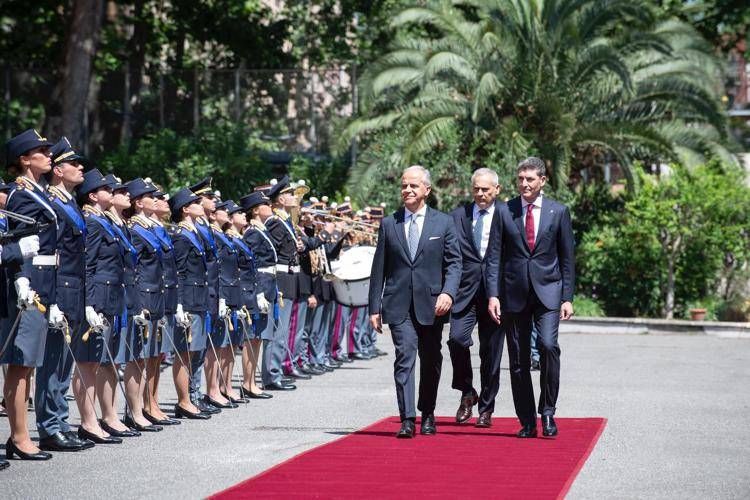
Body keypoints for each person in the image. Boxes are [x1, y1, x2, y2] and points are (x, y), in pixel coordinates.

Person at [368, 165, 461, 438]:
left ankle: (428, 412)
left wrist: (448, 293)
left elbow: (455, 263)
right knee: (404, 357)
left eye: (413, 186)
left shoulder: (443, 223)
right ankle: (407, 418)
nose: (407, 190)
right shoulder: (389, 224)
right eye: (404, 186)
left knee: (431, 359)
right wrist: (374, 307)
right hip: (398, 305)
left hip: (433, 305)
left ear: (426, 190)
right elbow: (379, 269)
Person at [486, 156, 575, 438]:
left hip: (548, 292)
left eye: (530, 179)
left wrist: (567, 297)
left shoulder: (558, 212)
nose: (524, 184)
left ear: (542, 181)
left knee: (548, 346)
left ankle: (547, 411)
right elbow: (493, 258)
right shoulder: (504, 211)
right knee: (519, 359)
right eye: (520, 179)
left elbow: (567, 258)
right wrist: (493, 295)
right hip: (513, 295)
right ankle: (526, 420)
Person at [2, 129, 56, 460]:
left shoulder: (39, 192)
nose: (49, 156)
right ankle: (19, 436)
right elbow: (17, 243)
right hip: (29, 284)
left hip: (44, 282)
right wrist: (22, 279)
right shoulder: (21, 195)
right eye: (42, 151)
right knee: (20, 365)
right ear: (25, 160)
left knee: (29, 364)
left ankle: (21, 434)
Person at [78, 169, 140, 440]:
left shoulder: (107, 222)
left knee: (107, 360)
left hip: (113, 296)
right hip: (99, 297)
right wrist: (89, 303)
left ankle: (109, 415)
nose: (116, 194)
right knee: (93, 362)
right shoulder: (92, 222)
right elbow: (88, 265)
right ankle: (90, 420)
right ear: (93, 195)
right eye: (109, 190)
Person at [448, 168, 505, 428]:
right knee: (457, 340)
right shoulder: (458, 216)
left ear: (497, 189)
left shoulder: (507, 215)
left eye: (486, 189)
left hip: (497, 295)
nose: (481, 194)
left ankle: (486, 408)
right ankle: (467, 391)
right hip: (464, 293)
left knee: (491, 354)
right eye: (476, 189)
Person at [168, 187, 212, 419]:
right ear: (186, 209)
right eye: (195, 202)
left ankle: (190, 398)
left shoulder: (194, 232)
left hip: (199, 299)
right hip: (189, 300)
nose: (200, 204)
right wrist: (180, 305)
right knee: (184, 353)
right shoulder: (182, 236)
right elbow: (180, 273)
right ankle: (184, 401)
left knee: (194, 352)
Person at [241, 190, 290, 392]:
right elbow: (251, 263)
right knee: (252, 337)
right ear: (255, 210)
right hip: (261, 284)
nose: (270, 207)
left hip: (269, 284)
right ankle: (247, 382)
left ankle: (252, 381)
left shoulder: (262, 230)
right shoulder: (252, 232)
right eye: (265, 205)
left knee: (259, 337)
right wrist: (258, 291)